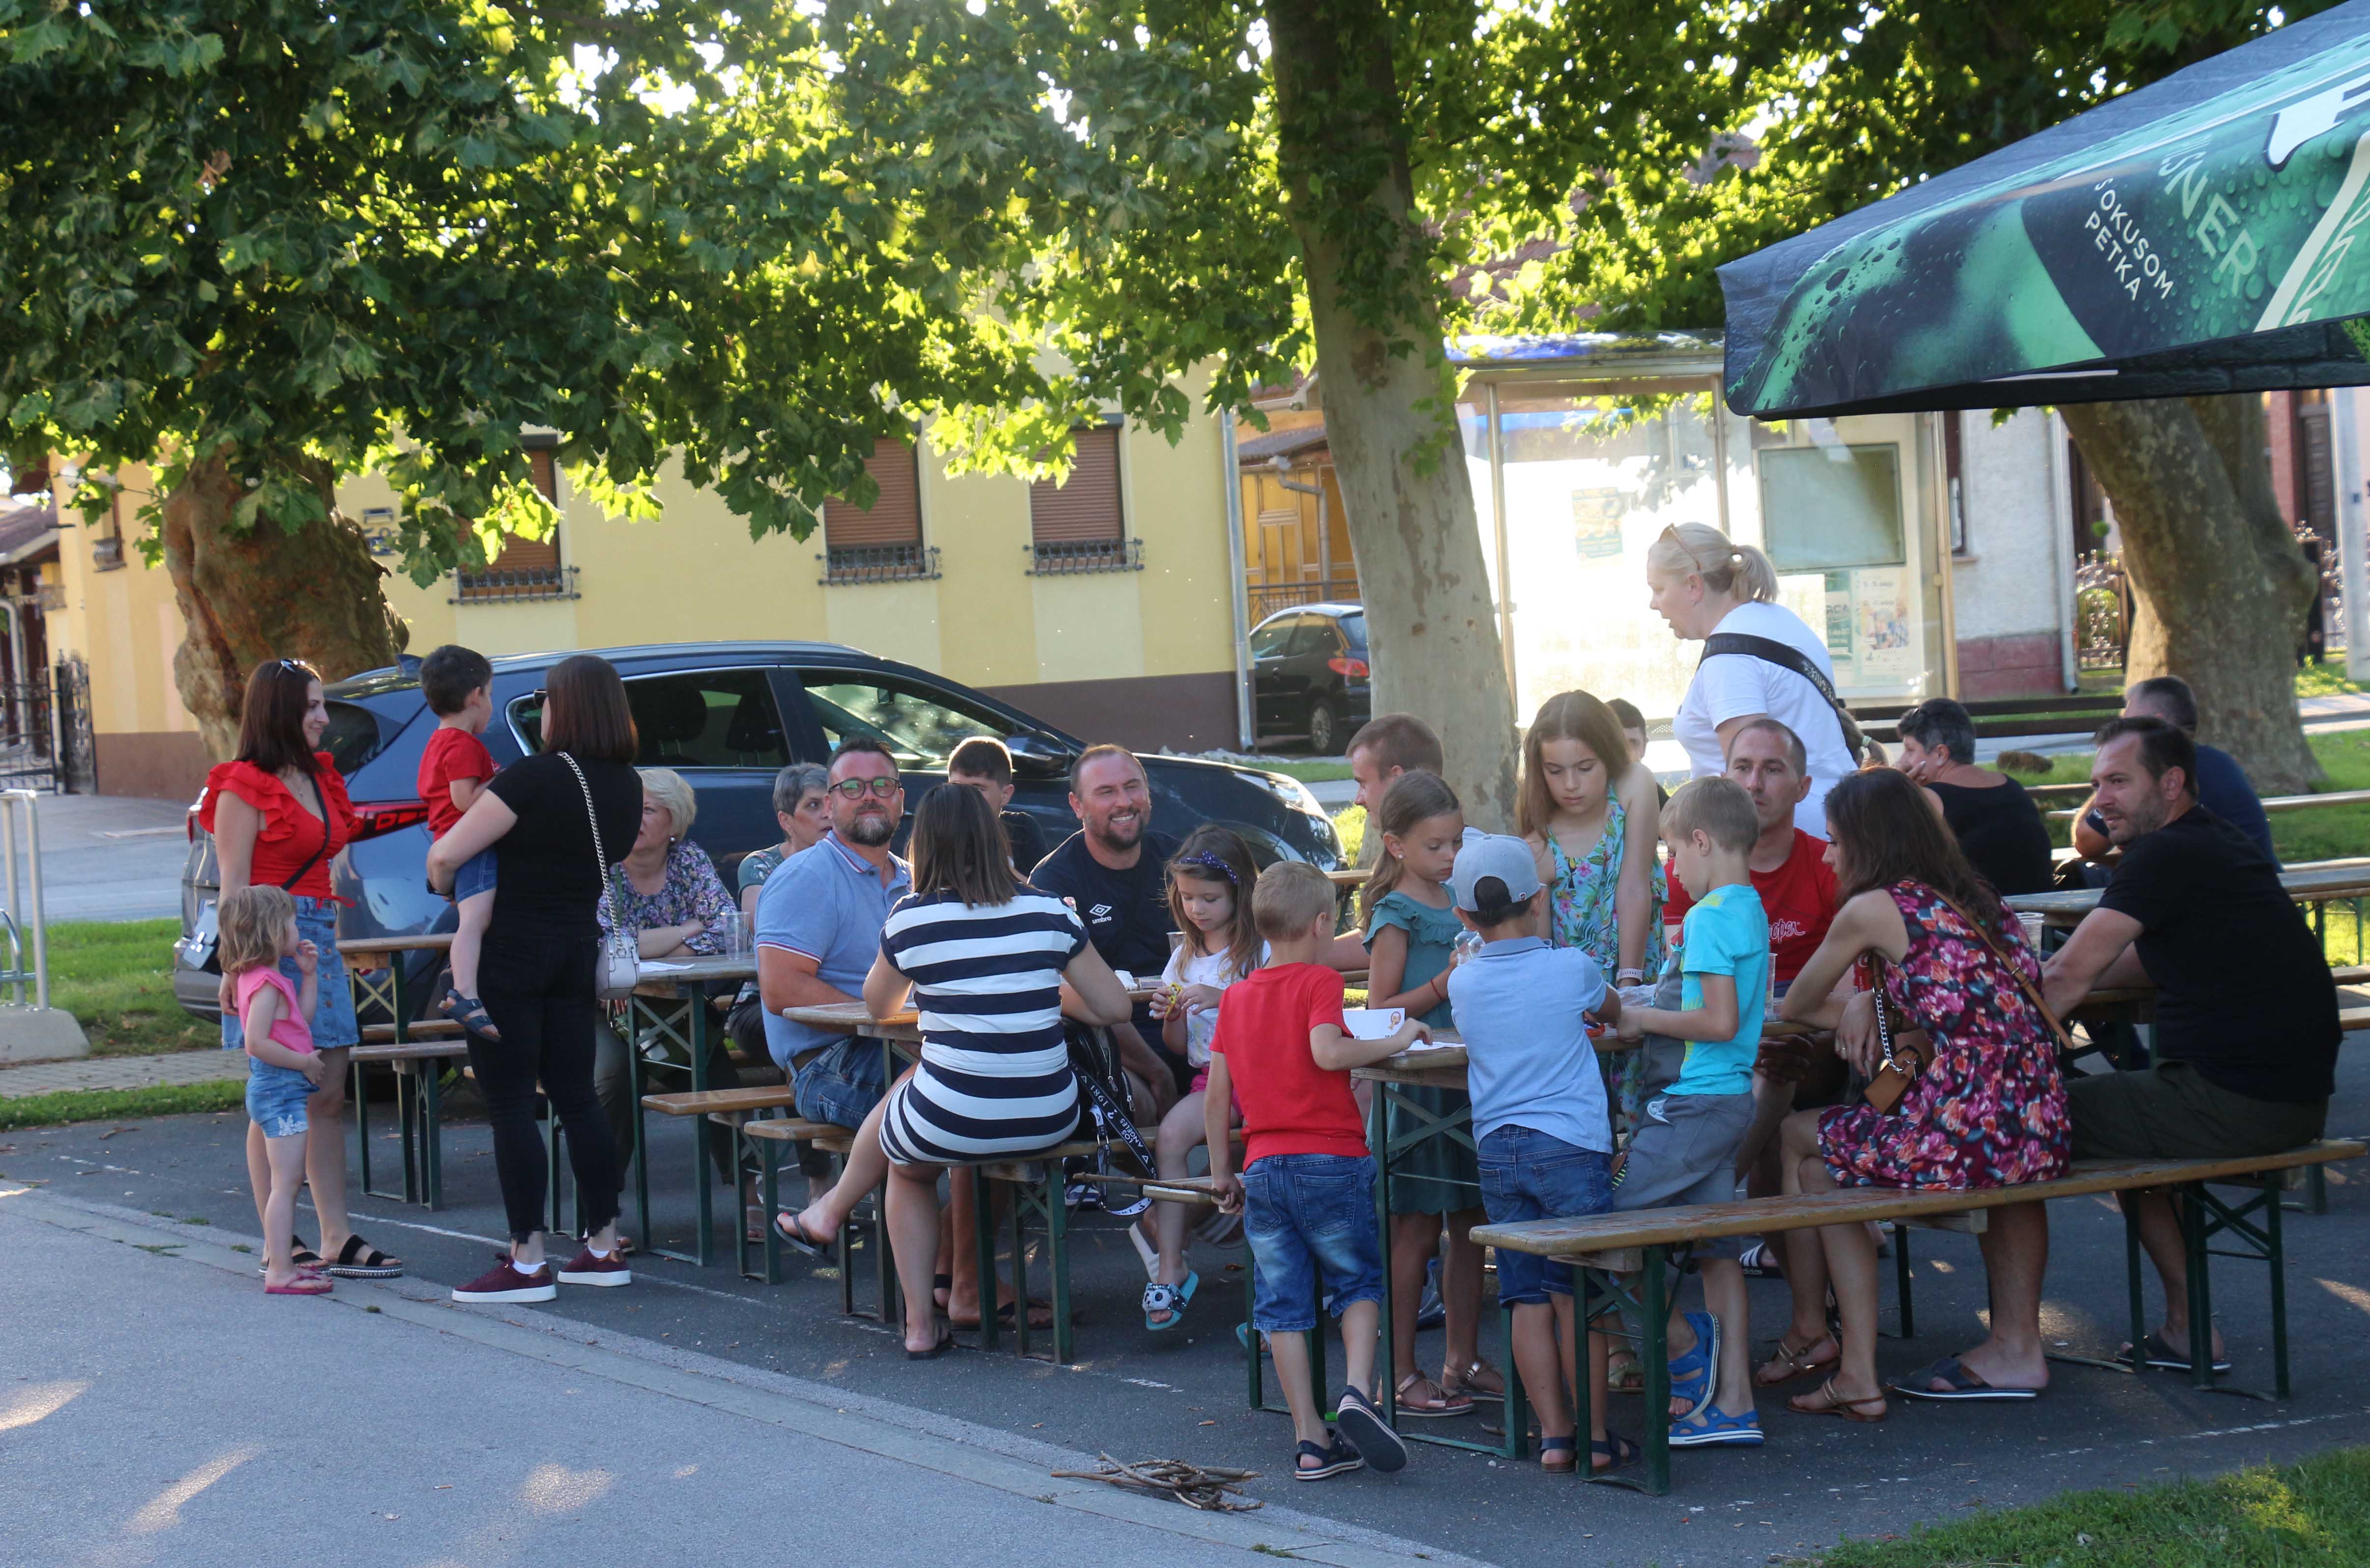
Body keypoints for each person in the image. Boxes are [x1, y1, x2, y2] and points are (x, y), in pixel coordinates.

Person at [790, 785, 1133, 1357]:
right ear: (993, 839)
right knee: (930, 1112)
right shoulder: (1049, 911)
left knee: (909, 1165)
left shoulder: (912, 918)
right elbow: (1115, 1008)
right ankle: (954, 1286)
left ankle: (920, 1325)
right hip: (1049, 1113)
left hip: (953, 1114)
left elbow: (879, 1007)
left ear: (924, 846)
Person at [2041, 716, 2337, 1374]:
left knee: (2023, 1121)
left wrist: (1968, 1049)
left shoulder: (2164, 854)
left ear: (2171, 783)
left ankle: (2008, 1343)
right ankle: (2186, 1329)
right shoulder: (2214, 842)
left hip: (2233, 1103)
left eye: (2119, 781)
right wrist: (2037, 981)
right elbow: (2143, 963)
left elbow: (2064, 979)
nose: (2101, 801)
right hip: (2288, 1099)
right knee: (2124, 1138)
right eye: (2095, 784)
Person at [1774, 767, 2070, 1416]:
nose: (1827, 855)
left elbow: (1796, 1000)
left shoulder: (1872, 909)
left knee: (1799, 1138)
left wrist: (1859, 1001)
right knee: (1824, 1159)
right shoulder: (1977, 894)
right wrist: (1873, 1000)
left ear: (1868, 842)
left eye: (1835, 840)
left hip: (1968, 1128)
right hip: (2036, 1120)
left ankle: (1824, 1342)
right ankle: (1848, 1364)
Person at [428, 654, 642, 1303]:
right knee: (579, 1097)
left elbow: (448, 853)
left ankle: (526, 1259)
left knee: (511, 1103)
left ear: (562, 707)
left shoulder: (533, 777)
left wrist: (442, 881)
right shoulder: (628, 787)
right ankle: (603, 1245)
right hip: (578, 948)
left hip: (511, 953)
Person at [1206, 861, 1425, 1482]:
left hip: (1264, 1167)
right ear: (1324, 923)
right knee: (1356, 1282)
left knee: (1282, 1306)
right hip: (1331, 1158)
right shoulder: (1320, 979)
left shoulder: (1238, 996)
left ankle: (1309, 1438)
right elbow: (1328, 1051)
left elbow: (1217, 1096)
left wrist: (1223, 1170)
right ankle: (1358, 1392)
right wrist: (1398, 1038)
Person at [203, 657, 397, 1281]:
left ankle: (334, 1235)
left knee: (329, 1091)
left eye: (321, 704)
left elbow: (332, 857)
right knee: (278, 1091)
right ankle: (278, 1240)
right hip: (266, 943)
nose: (322, 717)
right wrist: (237, 969)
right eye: (311, 706)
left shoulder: (320, 776)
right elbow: (232, 884)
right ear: (280, 712)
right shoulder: (243, 785)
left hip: (316, 941)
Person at [1446, 830, 1634, 1474]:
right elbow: (1615, 1015)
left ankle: (1555, 1436)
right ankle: (1599, 1438)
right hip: (1572, 1148)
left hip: (1499, 1148)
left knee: (1524, 1295)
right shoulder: (1572, 967)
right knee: (1581, 1295)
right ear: (1536, 899)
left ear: (1463, 915)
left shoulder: (1464, 985)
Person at [1612, 776, 1769, 1448]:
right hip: (1729, 1100)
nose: (1673, 870)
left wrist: (1636, 1016)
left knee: (1601, 1232)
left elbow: (1717, 1018)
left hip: (1693, 1101)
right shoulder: (1750, 907)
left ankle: (1680, 1346)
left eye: (1675, 854)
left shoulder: (1707, 917)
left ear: (1701, 842)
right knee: (1717, 1251)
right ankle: (1734, 1399)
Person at [1361, 770, 1500, 1418]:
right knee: (1413, 1233)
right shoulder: (1395, 915)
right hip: (1414, 1095)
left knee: (1471, 1228)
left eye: (1455, 844)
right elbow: (1381, 1011)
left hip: (1466, 1082)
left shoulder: (1464, 903)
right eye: (1436, 846)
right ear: (1396, 846)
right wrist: (1445, 984)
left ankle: (1462, 1359)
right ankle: (1399, 1372)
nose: (1449, 858)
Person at [593, 768, 748, 1206]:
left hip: (672, 1006)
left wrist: (639, 954)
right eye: (629, 808)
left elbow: (725, 931)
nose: (634, 818)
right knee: (614, 1078)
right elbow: (603, 948)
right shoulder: (599, 865)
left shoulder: (690, 862)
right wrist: (685, 930)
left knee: (721, 1079)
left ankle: (751, 1197)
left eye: (648, 809)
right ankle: (601, 1207)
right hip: (606, 1007)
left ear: (674, 823)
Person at [1648, 522, 1858, 836]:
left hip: (1785, 850)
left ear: (1693, 586)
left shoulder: (1729, 660)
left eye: (1659, 589)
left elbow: (1749, 791)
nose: (1654, 604)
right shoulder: (1779, 620)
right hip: (1840, 825)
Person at [1141, 826, 1263, 1330]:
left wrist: (1225, 1000)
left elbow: (1275, 1018)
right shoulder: (1184, 957)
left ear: (1240, 893)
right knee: (1169, 1136)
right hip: (1210, 1081)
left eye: (1210, 898)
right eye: (1187, 897)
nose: (1197, 909)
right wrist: (1171, 1014)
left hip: (1260, 1079)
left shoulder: (1260, 951)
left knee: (1264, 1156)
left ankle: (1272, 1289)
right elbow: (1180, 1049)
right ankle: (1171, 1262)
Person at [1028, 745, 1183, 1110]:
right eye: (1106, 792)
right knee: (1138, 1105)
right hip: (1110, 1044)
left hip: (1191, 1030)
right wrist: (1157, 1071)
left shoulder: (1180, 862)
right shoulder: (1053, 881)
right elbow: (1067, 995)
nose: (1124, 802)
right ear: (1077, 805)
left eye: (1132, 787)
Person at [221, 885, 331, 1296]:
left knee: (287, 1181)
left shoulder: (268, 978)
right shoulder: (265, 984)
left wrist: (309, 975)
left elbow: (298, 1021)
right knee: (286, 1184)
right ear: (270, 931)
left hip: (281, 1089)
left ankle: (282, 1263)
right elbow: (257, 1042)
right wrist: (304, 1063)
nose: (296, 929)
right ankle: (280, 1269)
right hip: (279, 1091)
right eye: (290, 923)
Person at [2072, 676, 2276, 868]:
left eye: (2128, 722)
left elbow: (2087, 842)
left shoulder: (2169, 770)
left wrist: (2113, 774)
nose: (2121, 732)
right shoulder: (2219, 761)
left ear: (2156, 724)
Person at [418, 644, 503, 1038]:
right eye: (490, 694)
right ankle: (466, 992)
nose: (490, 703)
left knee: (474, 920)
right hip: (472, 846)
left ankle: (459, 971)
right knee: (475, 919)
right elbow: (464, 799)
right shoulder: (464, 744)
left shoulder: (437, 741)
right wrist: (504, 782)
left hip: (449, 844)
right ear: (476, 696)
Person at [725, 761, 831, 1064]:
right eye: (813, 805)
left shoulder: (852, 864)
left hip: (837, 1000)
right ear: (786, 821)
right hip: (764, 1005)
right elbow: (764, 928)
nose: (827, 813)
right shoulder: (760, 865)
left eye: (829, 803)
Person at [1894, 698, 2053, 895]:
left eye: (1910, 750)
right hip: (2036, 917)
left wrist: (1896, 796)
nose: (1902, 761)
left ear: (1941, 754)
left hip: (1974, 920)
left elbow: (1890, 868)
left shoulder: (1929, 799)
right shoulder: (2013, 788)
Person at [948, 736, 1047, 873]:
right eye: (957, 787)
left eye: (977, 789)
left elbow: (1041, 890)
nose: (966, 796)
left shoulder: (1021, 829)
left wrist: (1000, 870)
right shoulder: (940, 827)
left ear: (1006, 794)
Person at [1607, 697, 1665, 808]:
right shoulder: (1586, 795)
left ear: (1645, 746)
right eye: (1616, 743)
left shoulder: (1658, 799)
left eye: (1633, 743)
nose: (1626, 753)